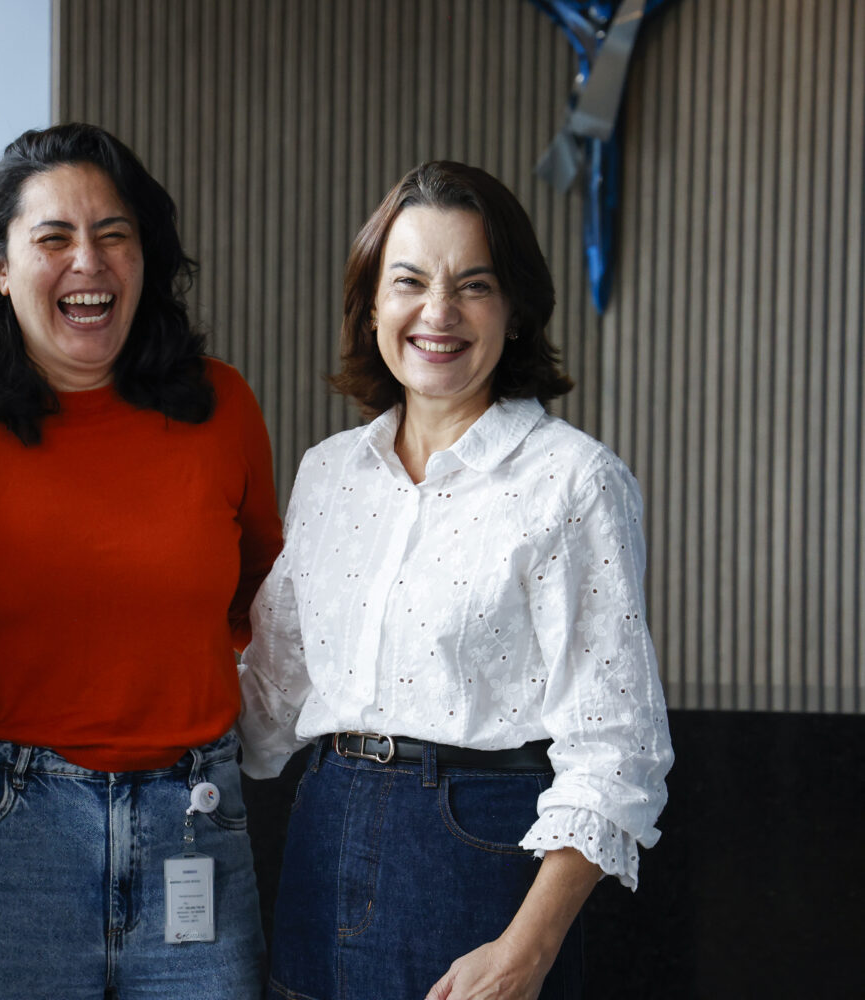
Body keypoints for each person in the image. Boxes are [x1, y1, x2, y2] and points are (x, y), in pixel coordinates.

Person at [239, 161, 673, 1000]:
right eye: (409, 282)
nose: (437, 313)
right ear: (372, 306)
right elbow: (268, 702)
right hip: (321, 839)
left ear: (514, 312)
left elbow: (617, 751)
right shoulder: (329, 473)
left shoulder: (573, 480)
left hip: (481, 861)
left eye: (473, 285)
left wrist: (527, 949)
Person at [0, 123, 283, 1000]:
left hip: (193, 818)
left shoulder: (223, 405)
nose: (89, 263)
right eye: (54, 238)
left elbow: (262, 592)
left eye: (114, 235)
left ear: (147, 258)